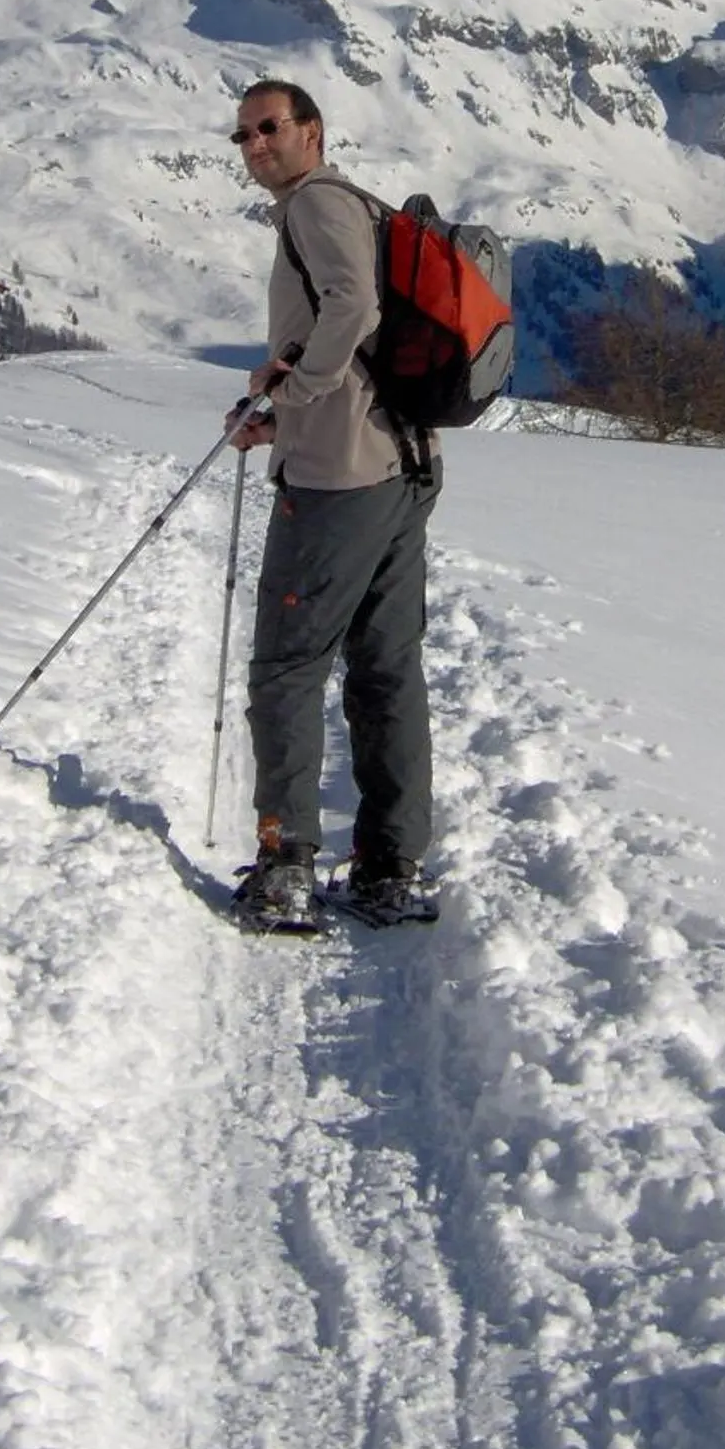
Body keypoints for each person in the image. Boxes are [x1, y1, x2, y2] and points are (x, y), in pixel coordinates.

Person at [224, 79, 440, 931]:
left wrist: (296, 395)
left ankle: (285, 865)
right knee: (386, 668)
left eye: (268, 128)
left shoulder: (315, 205)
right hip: (402, 463)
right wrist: (284, 409)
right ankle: (389, 866)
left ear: (312, 131)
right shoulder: (355, 202)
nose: (252, 146)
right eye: (240, 134)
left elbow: (354, 304)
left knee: (287, 664)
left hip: (339, 478)